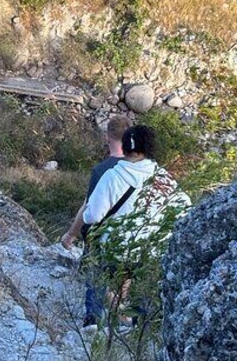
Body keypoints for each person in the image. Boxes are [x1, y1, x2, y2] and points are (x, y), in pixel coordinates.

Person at [80, 124, 190, 328]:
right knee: (141, 290)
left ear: (124, 147)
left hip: (113, 248)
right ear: (149, 147)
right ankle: (139, 326)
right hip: (150, 250)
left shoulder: (112, 176)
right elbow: (183, 207)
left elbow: (93, 216)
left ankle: (93, 319)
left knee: (96, 271)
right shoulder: (164, 179)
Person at [60, 115, 132, 250]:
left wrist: (70, 235)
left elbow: (89, 206)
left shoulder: (101, 171)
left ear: (107, 136)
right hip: (134, 238)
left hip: (103, 241)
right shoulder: (142, 168)